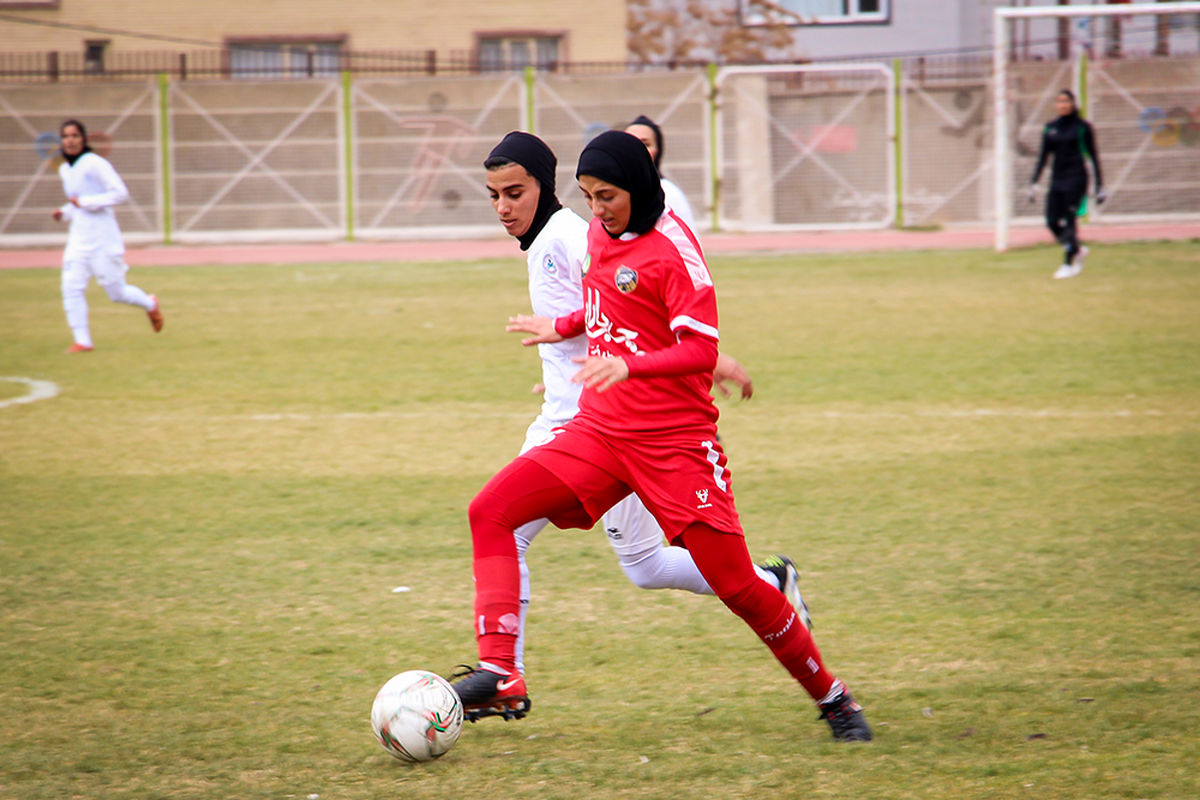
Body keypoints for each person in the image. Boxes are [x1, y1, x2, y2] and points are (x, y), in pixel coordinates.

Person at [453, 130, 872, 742]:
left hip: (674, 445)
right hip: (600, 429)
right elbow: (605, 306)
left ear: (641, 188)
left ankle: (833, 698)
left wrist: (630, 365)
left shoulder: (675, 248)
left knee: (737, 587)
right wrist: (564, 328)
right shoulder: (598, 233)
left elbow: (699, 347)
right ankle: (501, 672)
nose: (597, 211)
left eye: (608, 197)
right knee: (491, 511)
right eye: (589, 197)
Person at [52, 119, 163, 353]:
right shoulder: (65, 169)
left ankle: (149, 303)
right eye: (65, 136)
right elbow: (76, 201)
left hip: (103, 239)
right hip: (78, 240)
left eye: (74, 136)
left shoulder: (94, 163)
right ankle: (83, 341)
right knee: (70, 287)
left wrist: (85, 202)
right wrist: (63, 213)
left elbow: (120, 193)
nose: (69, 140)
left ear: (83, 139)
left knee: (116, 293)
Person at [1027, 90, 1106, 280]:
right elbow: (1043, 157)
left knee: (1070, 219)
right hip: (1057, 179)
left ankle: (1067, 264)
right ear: (1056, 105)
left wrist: (1099, 185)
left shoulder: (1082, 127)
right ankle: (1077, 249)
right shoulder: (1050, 128)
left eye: (1066, 101)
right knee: (1051, 221)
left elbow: (1093, 156)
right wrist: (1034, 182)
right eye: (1059, 101)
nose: (1063, 105)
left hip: (1077, 178)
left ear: (1073, 103)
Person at [625, 115, 697, 232]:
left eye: (646, 144)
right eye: (631, 142)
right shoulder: (618, 190)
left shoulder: (668, 193)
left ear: (658, 150)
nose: (637, 149)